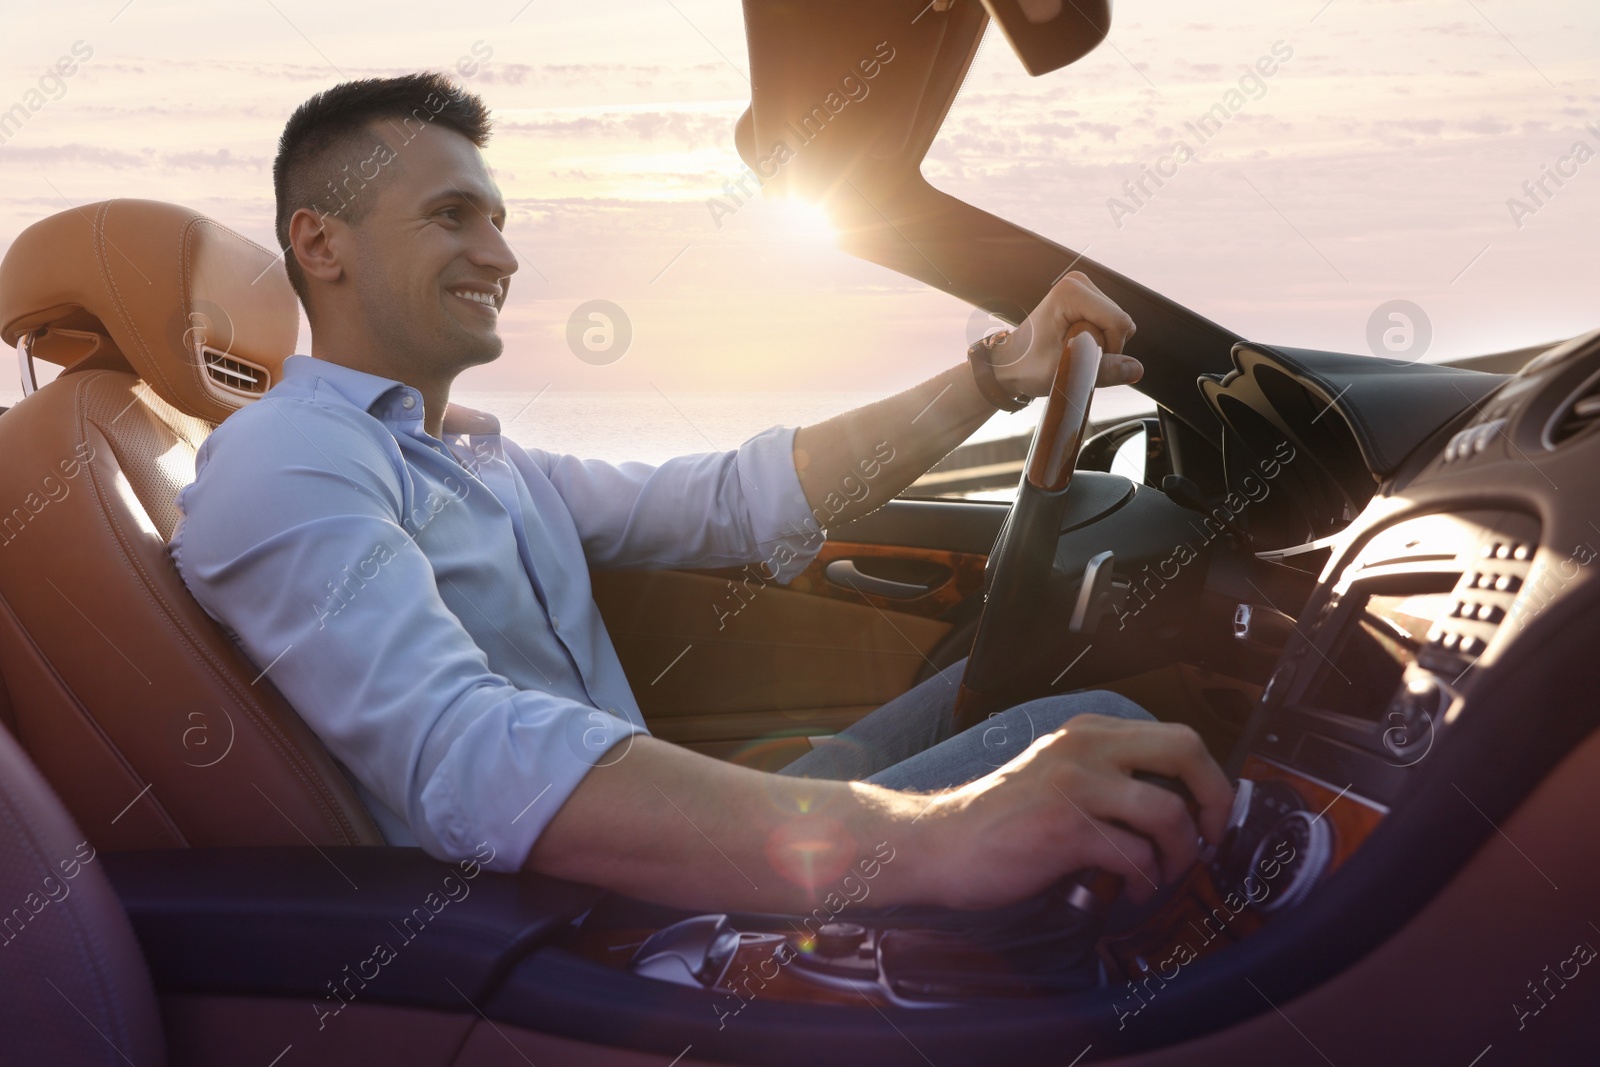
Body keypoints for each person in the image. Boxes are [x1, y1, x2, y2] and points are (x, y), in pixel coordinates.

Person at [172, 73, 1233, 917]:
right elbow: (468, 758)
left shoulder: (482, 459)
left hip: (640, 868)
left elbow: (736, 498)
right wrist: (945, 833)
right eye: (453, 217)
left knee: (1073, 680)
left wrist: (990, 378)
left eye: (498, 218)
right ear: (320, 242)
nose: (500, 254)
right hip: (588, 927)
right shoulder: (285, 457)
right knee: (1095, 722)